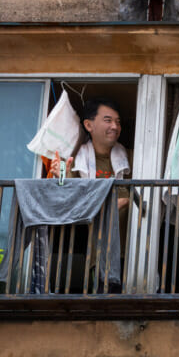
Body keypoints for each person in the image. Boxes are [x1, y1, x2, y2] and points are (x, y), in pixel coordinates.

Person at [48, 98, 132, 292]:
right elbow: (70, 198)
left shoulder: (131, 156)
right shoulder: (79, 159)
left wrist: (97, 206)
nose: (115, 126)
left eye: (118, 122)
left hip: (130, 252)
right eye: (108, 120)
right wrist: (59, 175)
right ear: (88, 125)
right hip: (98, 254)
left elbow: (128, 198)